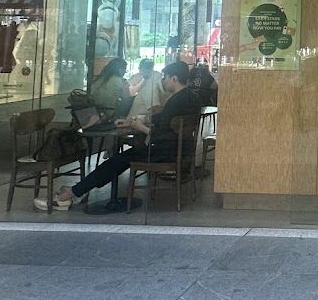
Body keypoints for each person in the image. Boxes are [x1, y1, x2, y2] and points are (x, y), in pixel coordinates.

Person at [34, 62, 202, 211]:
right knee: (120, 159)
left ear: (174, 78)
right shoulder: (191, 98)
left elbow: (160, 134)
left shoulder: (175, 101)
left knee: (117, 160)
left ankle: (72, 193)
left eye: (165, 77)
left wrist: (140, 127)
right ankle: (77, 192)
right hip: (178, 150)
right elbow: (168, 124)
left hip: (164, 152)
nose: (163, 80)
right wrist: (132, 122)